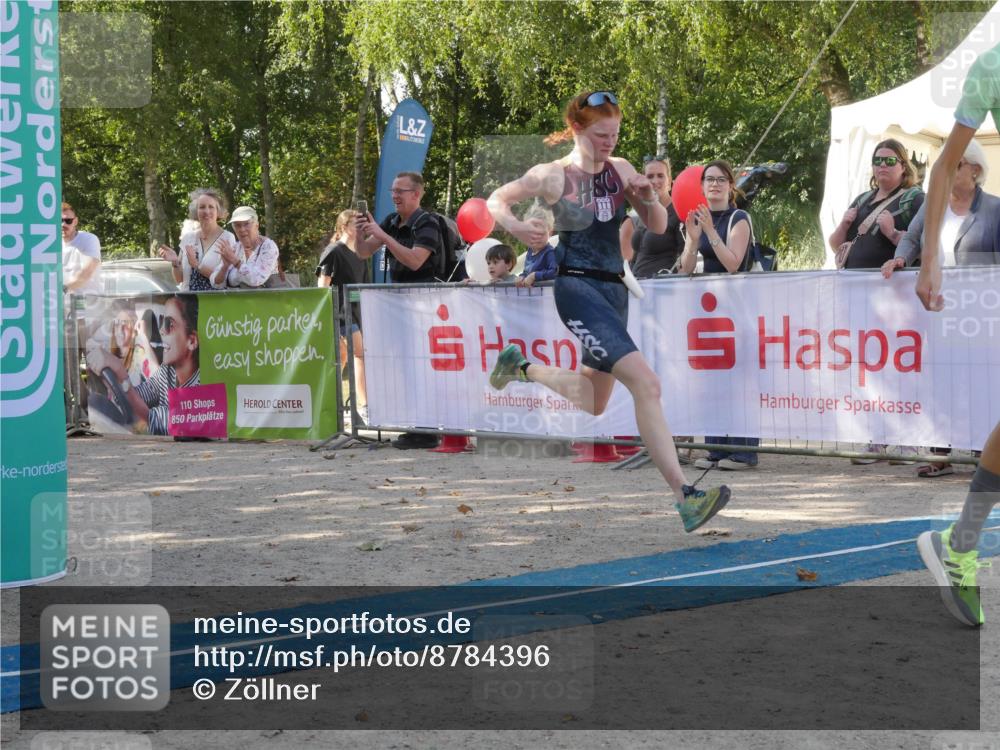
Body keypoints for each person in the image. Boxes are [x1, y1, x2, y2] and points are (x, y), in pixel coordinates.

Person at [486, 90, 730, 533]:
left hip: (615, 290)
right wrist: (519, 226)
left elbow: (657, 226)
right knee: (647, 384)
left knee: (594, 402)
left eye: (616, 133)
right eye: (602, 134)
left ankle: (519, 365)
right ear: (577, 129)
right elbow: (495, 200)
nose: (610, 141)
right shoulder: (551, 175)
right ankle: (685, 496)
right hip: (576, 287)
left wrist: (648, 197)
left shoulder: (621, 170)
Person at [915, 43, 1000, 628]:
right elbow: (946, 164)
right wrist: (928, 257)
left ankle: (962, 541)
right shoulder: (993, 63)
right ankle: (962, 543)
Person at [881, 139, 1000, 478]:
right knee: (943, 379)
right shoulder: (933, 205)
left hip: (982, 314)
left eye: (956, 165)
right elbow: (912, 237)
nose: (947, 173)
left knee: (982, 382)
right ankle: (940, 452)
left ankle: (984, 456)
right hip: (939, 310)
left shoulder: (994, 209)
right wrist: (901, 257)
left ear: (975, 170)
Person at [678, 160, 759, 471]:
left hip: (738, 309)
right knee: (712, 381)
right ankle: (716, 450)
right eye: (709, 179)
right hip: (709, 313)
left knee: (739, 382)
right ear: (701, 186)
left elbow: (733, 263)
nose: (714, 184)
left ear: (730, 185)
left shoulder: (739, 218)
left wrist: (711, 233)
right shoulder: (697, 218)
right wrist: (692, 238)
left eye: (721, 179)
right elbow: (685, 268)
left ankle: (743, 452)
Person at [355, 172, 443, 448]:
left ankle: (428, 429)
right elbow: (364, 252)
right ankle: (416, 426)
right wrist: (361, 232)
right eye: (393, 190)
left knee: (423, 365)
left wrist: (383, 236)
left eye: (400, 191)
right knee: (406, 365)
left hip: (426, 302)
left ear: (416, 194)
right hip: (400, 303)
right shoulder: (392, 221)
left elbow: (416, 261)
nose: (394, 196)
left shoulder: (426, 222)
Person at [86, 295, 200, 436]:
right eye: (161, 322)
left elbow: (154, 421)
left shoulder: (202, 383)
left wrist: (120, 373)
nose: (161, 331)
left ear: (192, 341)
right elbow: (139, 397)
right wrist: (112, 379)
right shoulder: (168, 372)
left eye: (169, 325)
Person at [828, 138, 924, 271]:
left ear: (903, 167)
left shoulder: (915, 199)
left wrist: (893, 234)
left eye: (890, 161)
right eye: (877, 161)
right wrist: (843, 226)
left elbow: (925, 248)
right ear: (873, 167)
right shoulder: (861, 199)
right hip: (853, 284)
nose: (883, 165)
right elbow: (835, 246)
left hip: (890, 285)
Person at [317, 209, 370, 421]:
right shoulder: (333, 252)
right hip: (338, 314)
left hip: (355, 313)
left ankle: (343, 406)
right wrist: (328, 317)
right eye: (354, 223)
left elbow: (363, 285)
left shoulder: (361, 253)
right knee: (357, 354)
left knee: (346, 357)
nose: (358, 228)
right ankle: (360, 404)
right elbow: (322, 287)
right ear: (343, 227)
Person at [158, 188, 235, 291]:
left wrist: (197, 265)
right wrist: (175, 262)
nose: (206, 211)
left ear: (218, 211)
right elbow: (179, 279)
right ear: (196, 211)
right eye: (202, 207)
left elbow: (223, 280)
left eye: (211, 207)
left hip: (214, 302)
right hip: (187, 302)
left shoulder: (227, 238)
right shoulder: (188, 238)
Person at [620, 155, 684, 278]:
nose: (655, 181)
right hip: (637, 287)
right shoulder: (641, 211)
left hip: (663, 288)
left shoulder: (678, 212)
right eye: (650, 176)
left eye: (660, 176)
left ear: (669, 181)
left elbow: (685, 262)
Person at [215, 206, 280, 288]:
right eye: (237, 225)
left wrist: (236, 262)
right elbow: (217, 284)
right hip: (236, 300)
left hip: (265, 300)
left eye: (246, 224)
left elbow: (256, 280)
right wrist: (224, 267)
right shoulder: (236, 248)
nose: (242, 229)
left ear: (257, 225)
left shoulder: (268, 247)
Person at [62, 202, 103, 300]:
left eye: (68, 221)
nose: (63, 224)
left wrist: (62, 289)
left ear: (75, 221)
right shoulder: (52, 244)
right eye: (59, 220)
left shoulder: (89, 239)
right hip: (64, 306)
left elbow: (86, 273)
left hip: (91, 306)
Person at [516, 205, 558, 288]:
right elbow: (527, 271)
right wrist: (521, 276)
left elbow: (555, 272)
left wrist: (535, 275)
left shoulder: (550, 252)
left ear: (550, 232)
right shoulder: (530, 252)